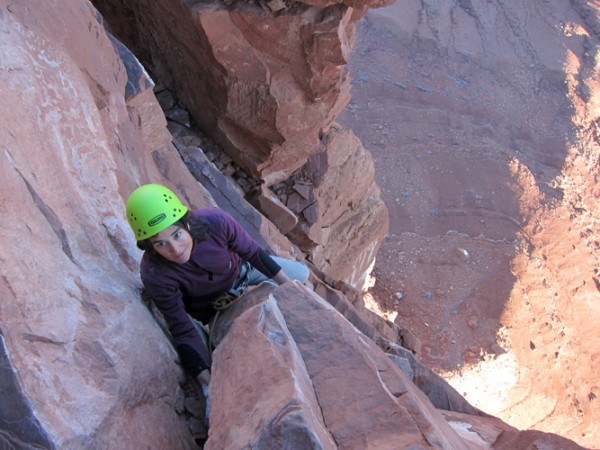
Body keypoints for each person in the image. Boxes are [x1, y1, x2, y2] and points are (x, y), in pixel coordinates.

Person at [125, 183, 309, 386]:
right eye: (161, 244)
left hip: (241, 272)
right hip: (211, 309)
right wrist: (208, 385)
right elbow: (181, 328)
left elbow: (254, 253)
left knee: (301, 274)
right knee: (212, 353)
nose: (175, 250)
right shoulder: (155, 274)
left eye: (176, 235)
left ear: (186, 223)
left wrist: (291, 289)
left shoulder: (215, 222)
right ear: (150, 248)